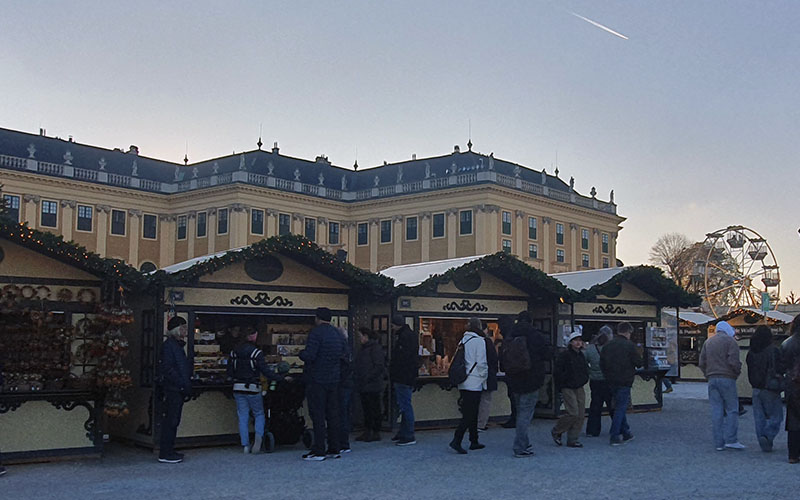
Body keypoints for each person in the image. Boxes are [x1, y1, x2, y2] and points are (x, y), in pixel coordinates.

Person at [299, 307, 348, 461]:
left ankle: (319, 450)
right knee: (333, 414)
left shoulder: (316, 333)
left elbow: (310, 355)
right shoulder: (337, 334)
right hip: (334, 379)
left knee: (318, 415)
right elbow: (344, 354)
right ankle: (334, 448)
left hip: (317, 379)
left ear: (317, 318)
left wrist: (301, 354)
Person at [228, 326, 283, 454]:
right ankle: (258, 437)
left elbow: (229, 372)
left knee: (242, 416)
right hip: (253, 386)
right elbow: (265, 371)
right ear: (252, 336)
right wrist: (280, 378)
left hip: (238, 387)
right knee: (259, 413)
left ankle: (245, 445)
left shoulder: (234, 352)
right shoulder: (256, 353)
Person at [505, 310, 551, 458]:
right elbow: (547, 354)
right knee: (525, 415)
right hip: (532, 379)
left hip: (514, 379)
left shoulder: (510, 335)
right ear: (531, 321)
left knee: (520, 412)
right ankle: (520, 447)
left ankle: (524, 443)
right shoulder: (536, 335)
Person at [698, 321, 744, 451]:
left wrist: (707, 374)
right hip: (727, 378)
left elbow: (702, 362)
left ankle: (719, 442)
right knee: (732, 409)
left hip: (712, 378)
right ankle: (731, 439)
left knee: (716, 409)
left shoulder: (708, 342)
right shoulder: (731, 342)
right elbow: (733, 361)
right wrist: (736, 373)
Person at [449, 317, 489, 454]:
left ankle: (474, 440)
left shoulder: (463, 340)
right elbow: (482, 362)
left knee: (470, 411)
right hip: (475, 380)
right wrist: (484, 378)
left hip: (464, 380)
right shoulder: (480, 341)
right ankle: (457, 439)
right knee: (470, 413)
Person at [600, 321, 642, 446]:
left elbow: (602, 364)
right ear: (628, 332)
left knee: (618, 406)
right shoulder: (629, 345)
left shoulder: (607, 345)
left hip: (610, 381)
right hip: (625, 380)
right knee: (621, 408)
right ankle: (615, 435)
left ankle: (626, 433)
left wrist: (607, 375)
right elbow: (638, 362)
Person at [157, 316, 192, 463]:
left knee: (173, 420)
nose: (186, 331)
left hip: (177, 388)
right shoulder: (170, 346)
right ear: (177, 329)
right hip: (173, 389)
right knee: (171, 420)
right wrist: (181, 383)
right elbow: (168, 369)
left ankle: (169, 450)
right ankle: (166, 452)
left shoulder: (175, 346)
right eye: (183, 328)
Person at [746, 325, 784, 452]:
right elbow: (780, 367)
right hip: (770, 387)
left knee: (759, 417)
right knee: (776, 416)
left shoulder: (751, 352)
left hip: (756, 387)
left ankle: (764, 442)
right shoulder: (773, 350)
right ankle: (768, 435)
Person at [551, 330, 589, 448]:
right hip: (567, 386)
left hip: (579, 386)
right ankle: (557, 430)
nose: (578, 342)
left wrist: (584, 379)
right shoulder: (565, 355)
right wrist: (562, 383)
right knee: (573, 413)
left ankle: (573, 439)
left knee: (580, 414)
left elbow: (585, 370)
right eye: (575, 340)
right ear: (570, 342)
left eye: (580, 340)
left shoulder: (581, 355)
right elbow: (557, 372)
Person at [389, 314, 419, 446]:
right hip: (408, 376)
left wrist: (393, 370)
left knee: (405, 406)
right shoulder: (410, 335)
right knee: (405, 405)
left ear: (397, 325)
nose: (391, 328)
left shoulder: (404, 337)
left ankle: (408, 434)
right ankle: (403, 432)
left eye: (392, 325)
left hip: (403, 376)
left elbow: (402, 359)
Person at [354, 327, 386, 442]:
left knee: (373, 408)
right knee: (368, 409)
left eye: (360, 336)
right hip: (367, 384)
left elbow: (379, 366)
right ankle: (369, 431)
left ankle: (373, 431)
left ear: (366, 336)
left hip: (371, 384)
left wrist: (367, 378)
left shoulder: (373, 348)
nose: (359, 339)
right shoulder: (368, 348)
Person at [585, 325, 614, 437]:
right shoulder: (612, 348)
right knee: (612, 406)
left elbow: (584, 362)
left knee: (595, 406)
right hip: (609, 380)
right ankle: (618, 428)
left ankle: (592, 430)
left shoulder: (590, 348)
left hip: (595, 380)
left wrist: (590, 372)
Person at [781, 314, 800, 464]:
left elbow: (782, 365)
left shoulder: (787, 343)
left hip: (792, 384)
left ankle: (793, 454)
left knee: (793, 419)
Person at [477, 321, 499, 432]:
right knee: (485, 400)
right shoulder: (487, 342)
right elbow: (493, 359)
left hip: (474, 376)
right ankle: (481, 423)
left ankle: (474, 422)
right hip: (487, 375)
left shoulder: (469, 341)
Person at [498, 315, 517, 428]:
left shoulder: (509, 339)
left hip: (511, 371)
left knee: (513, 396)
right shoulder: (514, 337)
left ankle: (514, 418)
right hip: (515, 371)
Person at [338, 327, 354, 453]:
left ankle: (342, 442)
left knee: (340, 413)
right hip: (348, 383)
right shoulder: (348, 349)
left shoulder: (339, 350)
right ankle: (344, 442)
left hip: (340, 384)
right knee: (344, 413)